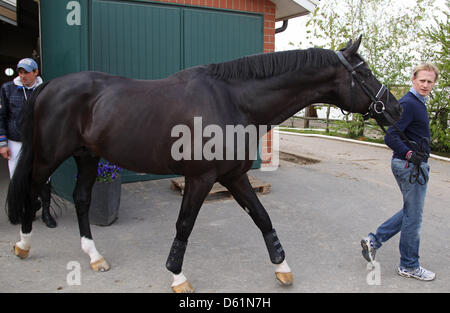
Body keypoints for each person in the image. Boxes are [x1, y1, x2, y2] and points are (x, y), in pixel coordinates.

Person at [361, 63, 439, 281]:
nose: (425, 84)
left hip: (413, 166)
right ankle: (409, 265)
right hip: (410, 167)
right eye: (421, 80)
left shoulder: (417, 103)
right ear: (413, 80)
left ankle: (373, 241)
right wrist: (409, 154)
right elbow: (390, 136)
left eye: (429, 81)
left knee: (410, 211)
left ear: (434, 84)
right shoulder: (409, 103)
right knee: (414, 217)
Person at [0, 58, 57, 228]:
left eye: (26, 72)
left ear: (36, 72)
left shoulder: (45, 90)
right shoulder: (7, 89)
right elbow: (1, 116)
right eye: (20, 72)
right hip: (15, 140)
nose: (23, 76)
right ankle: (28, 210)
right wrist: (2, 143)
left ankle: (46, 211)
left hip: (39, 141)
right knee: (18, 177)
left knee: (44, 177)